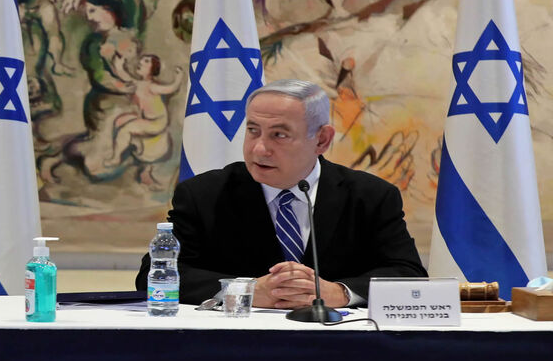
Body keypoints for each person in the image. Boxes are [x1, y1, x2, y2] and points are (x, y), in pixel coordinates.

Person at [135, 79, 426, 307]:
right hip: (237, 351)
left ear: (322, 139)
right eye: (252, 130)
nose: (259, 148)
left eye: (279, 134)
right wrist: (244, 289)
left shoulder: (370, 196)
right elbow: (155, 275)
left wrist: (339, 292)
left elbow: (408, 275)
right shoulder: (203, 194)